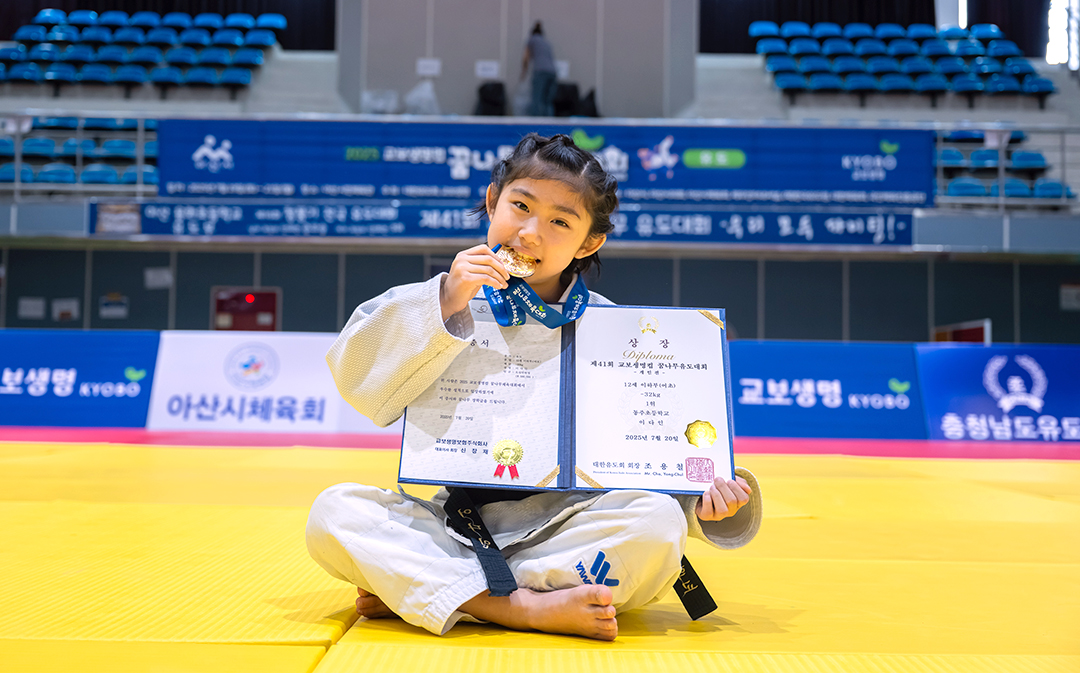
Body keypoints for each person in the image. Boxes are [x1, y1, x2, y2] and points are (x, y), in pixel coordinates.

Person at [305, 133, 761, 641]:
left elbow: (646, 453)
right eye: (520, 206)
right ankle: (520, 606)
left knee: (658, 523)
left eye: (560, 222)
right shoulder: (445, 299)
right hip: (454, 527)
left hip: (566, 530)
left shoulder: (617, 330)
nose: (529, 233)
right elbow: (357, 380)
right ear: (492, 201)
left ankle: (440, 591)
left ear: (589, 243)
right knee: (334, 511)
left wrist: (701, 502)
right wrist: (447, 299)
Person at [522, 22, 558, 116]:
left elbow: (526, 57)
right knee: (547, 100)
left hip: (540, 71)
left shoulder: (532, 40)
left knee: (536, 98)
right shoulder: (547, 43)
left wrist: (523, 72)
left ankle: (535, 121)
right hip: (552, 72)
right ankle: (550, 121)